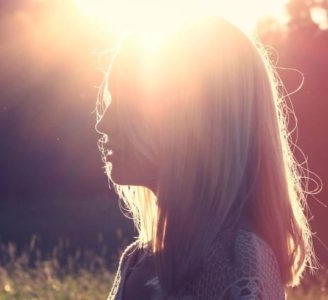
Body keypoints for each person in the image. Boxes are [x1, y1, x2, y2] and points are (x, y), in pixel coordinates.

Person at [95, 17, 318, 300]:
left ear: (192, 120)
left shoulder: (235, 262)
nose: (103, 124)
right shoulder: (140, 258)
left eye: (126, 104)